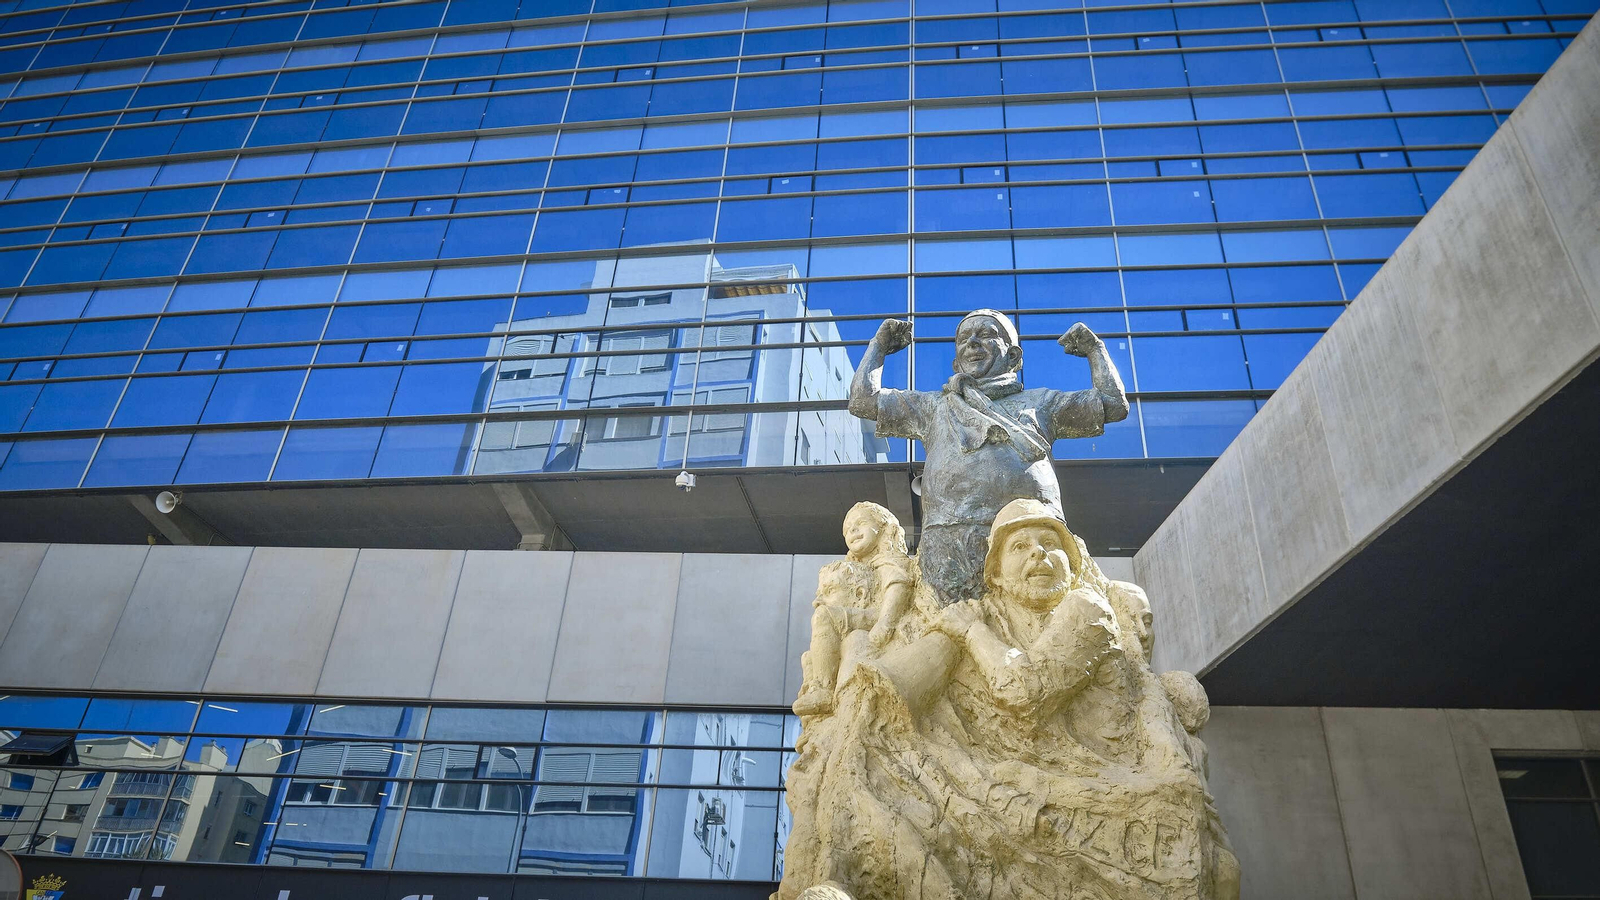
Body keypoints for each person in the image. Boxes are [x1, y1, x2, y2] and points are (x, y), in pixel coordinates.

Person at [776, 500, 1229, 900]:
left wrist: (969, 632)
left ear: (1072, 566)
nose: (1037, 555)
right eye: (1020, 547)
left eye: (1049, 544)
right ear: (994, 573)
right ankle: (839, 870)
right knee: (873, 735)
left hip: (1087, 777)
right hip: (1006, 768)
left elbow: (1024, 693)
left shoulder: (1087, 610)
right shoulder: (988, 613)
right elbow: (903, 689)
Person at [848, 311, 1129, 604]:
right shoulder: (932, 406)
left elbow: (1112, 404)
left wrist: (1096, 350)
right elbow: (863, 401)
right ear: (957, 362)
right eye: (963, 339)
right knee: (952, 630)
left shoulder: (1042, 403)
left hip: (1031, 540)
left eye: (986, 334)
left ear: (1013, 356)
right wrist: (878, 346)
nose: (971, 343)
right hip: (949, 542)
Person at [793, 501, 914, 718]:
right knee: (812, 651)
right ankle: (815, 681)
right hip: (870, 617)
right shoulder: (858, 565)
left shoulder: (889, 559)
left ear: (882, 526)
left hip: (879, 617)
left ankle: (823, 688)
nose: (853, 532)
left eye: (860, 524)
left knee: (824, 616)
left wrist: (885, 624)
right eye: (848, 529)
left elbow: (898, 587)